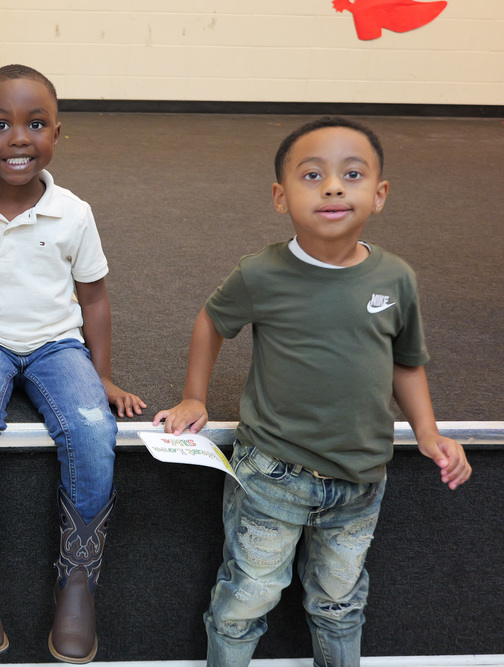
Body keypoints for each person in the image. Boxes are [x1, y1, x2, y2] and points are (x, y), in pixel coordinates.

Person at [154, 116, 472, 666]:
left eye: (352, 174)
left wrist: (427, 431)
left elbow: (407, 361)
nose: (332, 187)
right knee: (247, 599)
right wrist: (193, 396)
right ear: (280, 197)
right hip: (272, 475)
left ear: (380, 194)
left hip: (361, 480)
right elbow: (212, 321)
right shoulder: (261, 274)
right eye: (311, 175)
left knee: (340, 605)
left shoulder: (395, 278)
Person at [0, 64, 146, 664]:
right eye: (0, 125)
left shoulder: (74, 213)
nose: (18, 138)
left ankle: (78, 579)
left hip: (58, 344)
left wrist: (100, 376)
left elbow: (95, 298)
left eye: (35, 124)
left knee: (92, 429)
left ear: (57, 132)